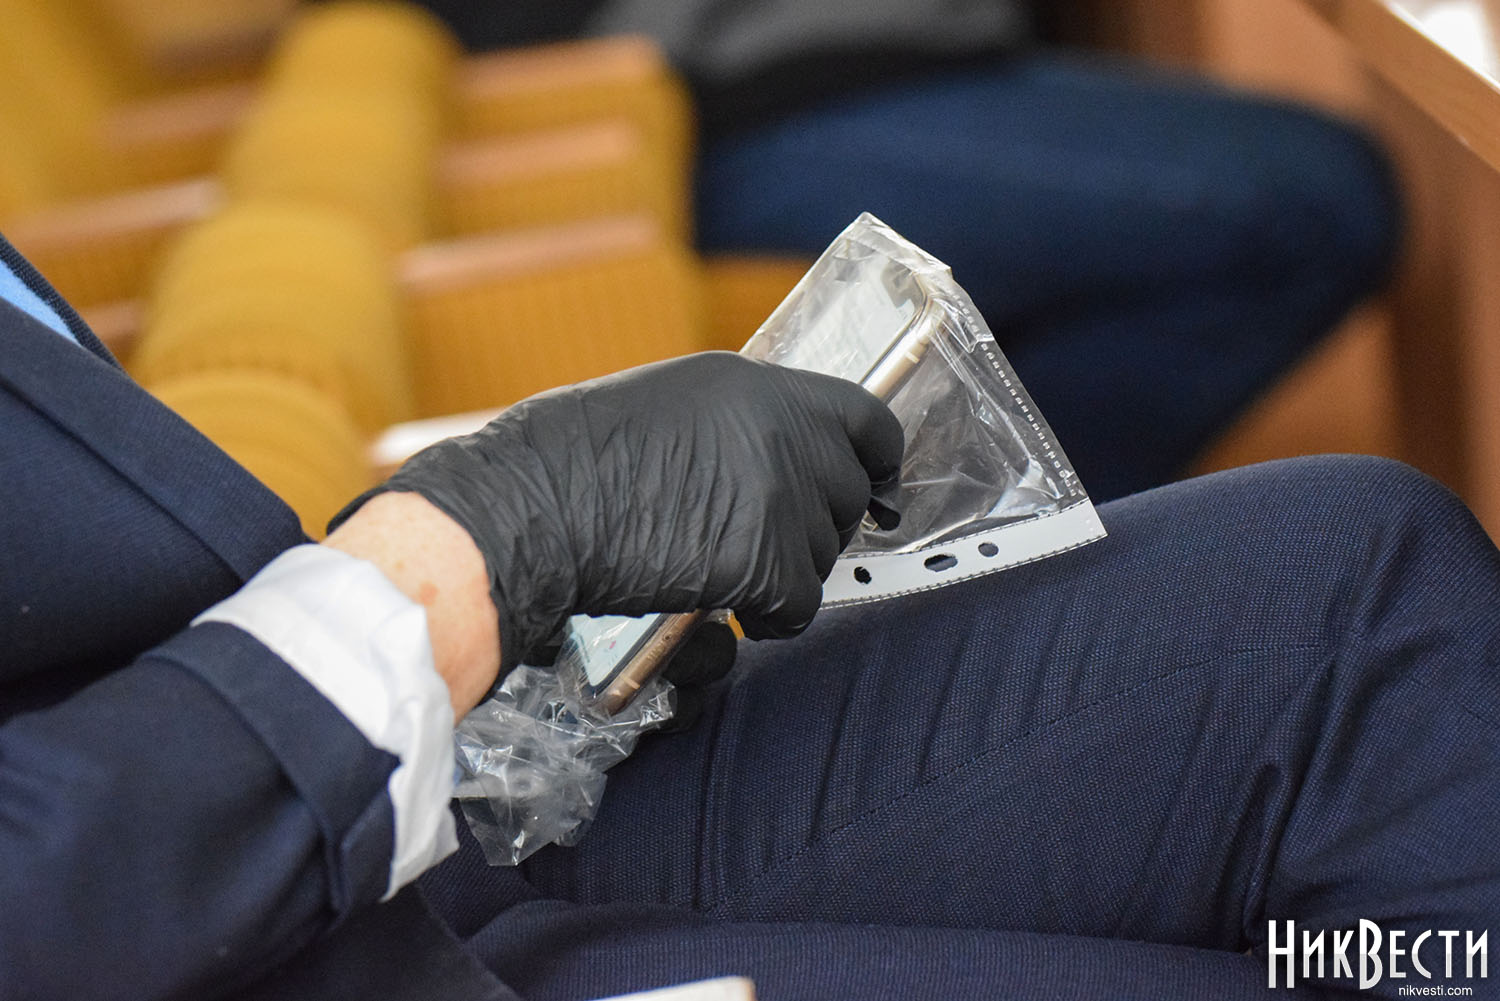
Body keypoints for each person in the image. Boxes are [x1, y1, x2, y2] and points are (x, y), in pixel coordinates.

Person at [3, 202, 1498, 1001]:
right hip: (222, 938)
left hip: (345, 826)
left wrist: (479, 660)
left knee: (1359, 591)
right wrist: (470, 551)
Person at [415, 0, 1403, 501]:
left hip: (874, 56)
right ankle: (993, 557)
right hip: (712, 100)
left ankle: (994, 548)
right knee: (1311, 208)